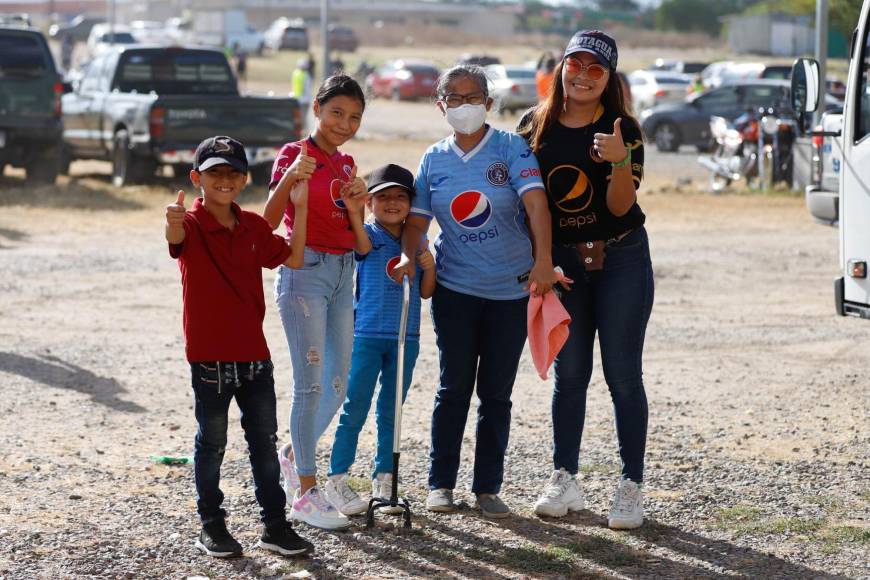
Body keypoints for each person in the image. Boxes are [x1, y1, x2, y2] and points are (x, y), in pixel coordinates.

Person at [392, 64, 557, 519]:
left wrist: (543, 261)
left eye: (473, 97)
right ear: (440, 105)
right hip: (456, 290)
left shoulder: (511, 147)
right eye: (455, 98)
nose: (464, 106)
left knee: (497, 393)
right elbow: (418, 222)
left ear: (488, 102)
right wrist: (411, 253)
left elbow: (536, 204)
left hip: (511, 290)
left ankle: (487, 488)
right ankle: (440, 484)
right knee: (454, 386)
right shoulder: (434, 159)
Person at [517, 30, 653, 530]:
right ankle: (564, 478)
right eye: (575, 64)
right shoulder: (534, 126)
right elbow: (527, 204)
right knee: (570, 375)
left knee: (622, 375)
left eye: (596, 69)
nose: (583, 75)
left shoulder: (624, 127)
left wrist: (618, 159)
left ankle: (630, 485)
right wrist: (542, 262)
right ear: (561, 68)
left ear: (609, 78)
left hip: (621, 258)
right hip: (562, 264)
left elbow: (621, 206)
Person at [165, 136, 313, 558]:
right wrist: (171, 220)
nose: (224, 180)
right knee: (211, 444)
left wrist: (299, 209)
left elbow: (295, 257)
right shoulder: (190, 224)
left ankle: (275, 526)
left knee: (263, 444)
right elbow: (173, 235)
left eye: (233, 173)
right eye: (215, 173)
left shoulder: (253, 226)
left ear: (246, 178)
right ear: (197, 178)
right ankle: (212, 525)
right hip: (209, 359)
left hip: (255, 359)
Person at [263, 74, 370, 531]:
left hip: (345, 272)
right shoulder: (293, 154)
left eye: (354, 117)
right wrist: (291, 177)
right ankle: (306, 492)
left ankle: (293, 454)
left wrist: (356, 203)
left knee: (337, 383)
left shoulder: (347, 165)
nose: (344, 124)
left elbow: (357, 234)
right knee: (308, 385)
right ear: (317, 109)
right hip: (304, 271)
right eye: (336, 113)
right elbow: (268, 218)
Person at [324, 164, 437, 516]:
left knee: (392, 410)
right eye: (383, 196)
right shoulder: (367, 236)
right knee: (354, 406)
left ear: (411, 202)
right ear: (371, 202)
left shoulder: (417, 238)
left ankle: (384, 477)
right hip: (366, 335)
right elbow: (357, 244)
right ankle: (337, 477)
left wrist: (428, 266)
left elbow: (427, 292)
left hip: (406, 337)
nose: (392, 203)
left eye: (400, 197)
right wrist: (355, 209)